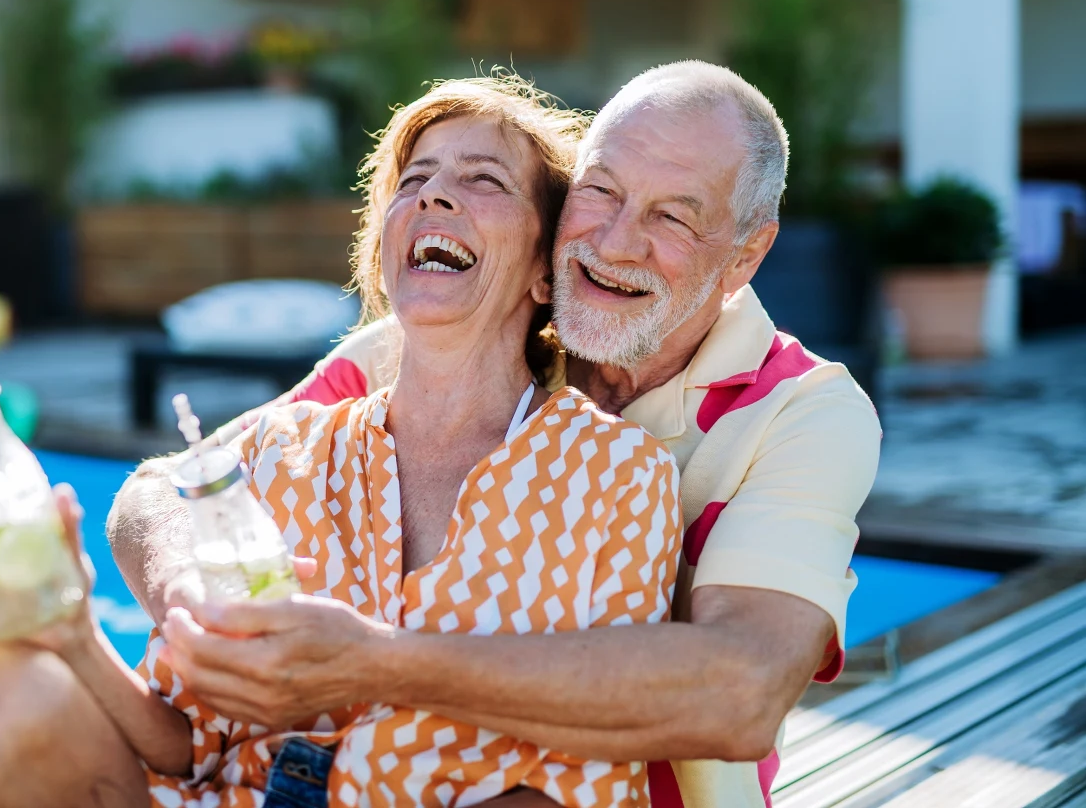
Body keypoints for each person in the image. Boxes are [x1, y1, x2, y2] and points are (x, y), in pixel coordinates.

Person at [0, 76, 682, 808]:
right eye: (416, 180)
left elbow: (579, 782)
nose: (434, 196)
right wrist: (71, 631)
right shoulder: (281, 452)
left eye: (483, 180)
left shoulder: (612, 476)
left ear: (545, 269)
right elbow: (186, 745)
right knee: (4, 674)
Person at [108, 60, 883, 808]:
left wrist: (372, 662)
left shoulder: (804, 411)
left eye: (672, 217)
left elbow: (741, 691)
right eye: (600, 192)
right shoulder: (429, 346)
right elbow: (167, 485)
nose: (614, 243)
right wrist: (188, 588)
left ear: (746, 253)